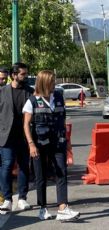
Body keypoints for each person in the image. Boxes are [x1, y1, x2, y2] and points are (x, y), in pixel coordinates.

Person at [22, 70, 80, 221]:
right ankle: (43, 208)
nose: (55, 84)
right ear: (44, 83)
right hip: (39, 144)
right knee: (41, 177)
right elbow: (26, 125)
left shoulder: (59, 97)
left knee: (62, 173)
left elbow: (63, 120)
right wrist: (31, 144)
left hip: (58, 142)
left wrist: (68, 141)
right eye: (52, 81)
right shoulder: (32, 101)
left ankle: (63, 208)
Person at [0, 63, 33, 214]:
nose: (25, 77)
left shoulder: (30, 92)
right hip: (6, 137)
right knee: (6, 167)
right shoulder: (2, 92)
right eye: (22, 74)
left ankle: (22, 198)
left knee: (24, 166)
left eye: (26, 74)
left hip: (24, 137)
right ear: (14, 75)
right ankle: (7, 199)